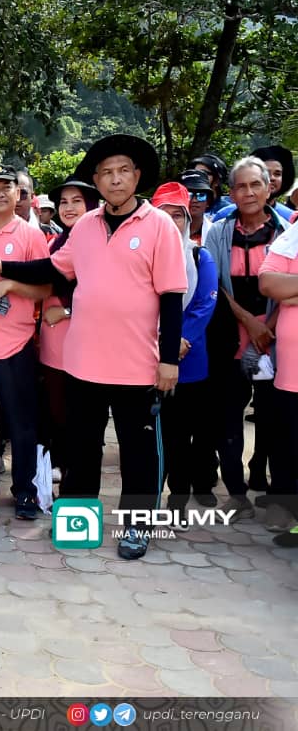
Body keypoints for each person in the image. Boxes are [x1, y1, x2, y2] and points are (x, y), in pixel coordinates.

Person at [0, 134, 186, 560]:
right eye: (107, 173)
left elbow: (171, 297)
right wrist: (4, 267)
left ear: (137, 176)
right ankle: (78, 523)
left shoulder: (159, 226)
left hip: (136, 364)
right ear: (97, 180)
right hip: (82, 363)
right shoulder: (87, 227)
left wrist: (168, 360)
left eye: (124, 171)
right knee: (81, 448)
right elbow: (53, 269)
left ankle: (137, 527)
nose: (115, 180)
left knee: (138, 453)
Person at [203, 156, 291, 529]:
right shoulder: (219, 232)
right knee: (227, 420)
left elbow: (288, 286)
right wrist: (248, 322)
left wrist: (266, 325)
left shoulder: (287, 231)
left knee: (276, 421)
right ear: (231, 192)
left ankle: (277, 494)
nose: (249, 192)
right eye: (241, 186)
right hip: (229, 336)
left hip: (277, 340)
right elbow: (215, 285)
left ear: (269, 188)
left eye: (256, 184)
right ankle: (237, 494)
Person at [0, 165, 51, 518]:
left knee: (21, 423)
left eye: (6, 187)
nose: (0, 193)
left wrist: (8, 284)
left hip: (16, 342)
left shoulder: (31, 235)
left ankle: (25, 491)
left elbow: (45, 289)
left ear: (18, 193)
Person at [150, 182, 219, 521]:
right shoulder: (143, 256)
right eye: (163, 214)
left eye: (177, 215)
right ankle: (147, 502)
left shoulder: (198, 256)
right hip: (146, 356)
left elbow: (205, 303)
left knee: (180, 438)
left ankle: (177, 501)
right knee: (152, 440)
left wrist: (180, 339)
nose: (171, 222)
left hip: (188, 362)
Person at [37, 177, 100, 485]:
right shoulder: (53, 243)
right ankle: (59, 463)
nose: (69, 207)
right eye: (64, 202)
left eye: (77, 201)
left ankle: (77, 474)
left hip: (84, 343)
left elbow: (102, 295)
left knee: (81, 414)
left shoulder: (99, 244)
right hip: (52, 343)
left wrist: (65, 312)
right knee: (55, 409)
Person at [259, 222, 298, 545]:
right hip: (291, 370)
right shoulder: (294, 234)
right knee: (290, 444)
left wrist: (292, 289)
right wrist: (283, 291)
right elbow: (269, 283)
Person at [178, 169, 214, 246]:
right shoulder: (167, 229)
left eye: (201, 195)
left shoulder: (216, 233)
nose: (194, 200)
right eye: (188, 195)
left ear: (208, 201)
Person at [191, 153, 232, 218]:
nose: (197, 177)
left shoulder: (228, 211)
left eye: (203, 173)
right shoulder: (184, 205)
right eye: (194, 173)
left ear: (217, 181)